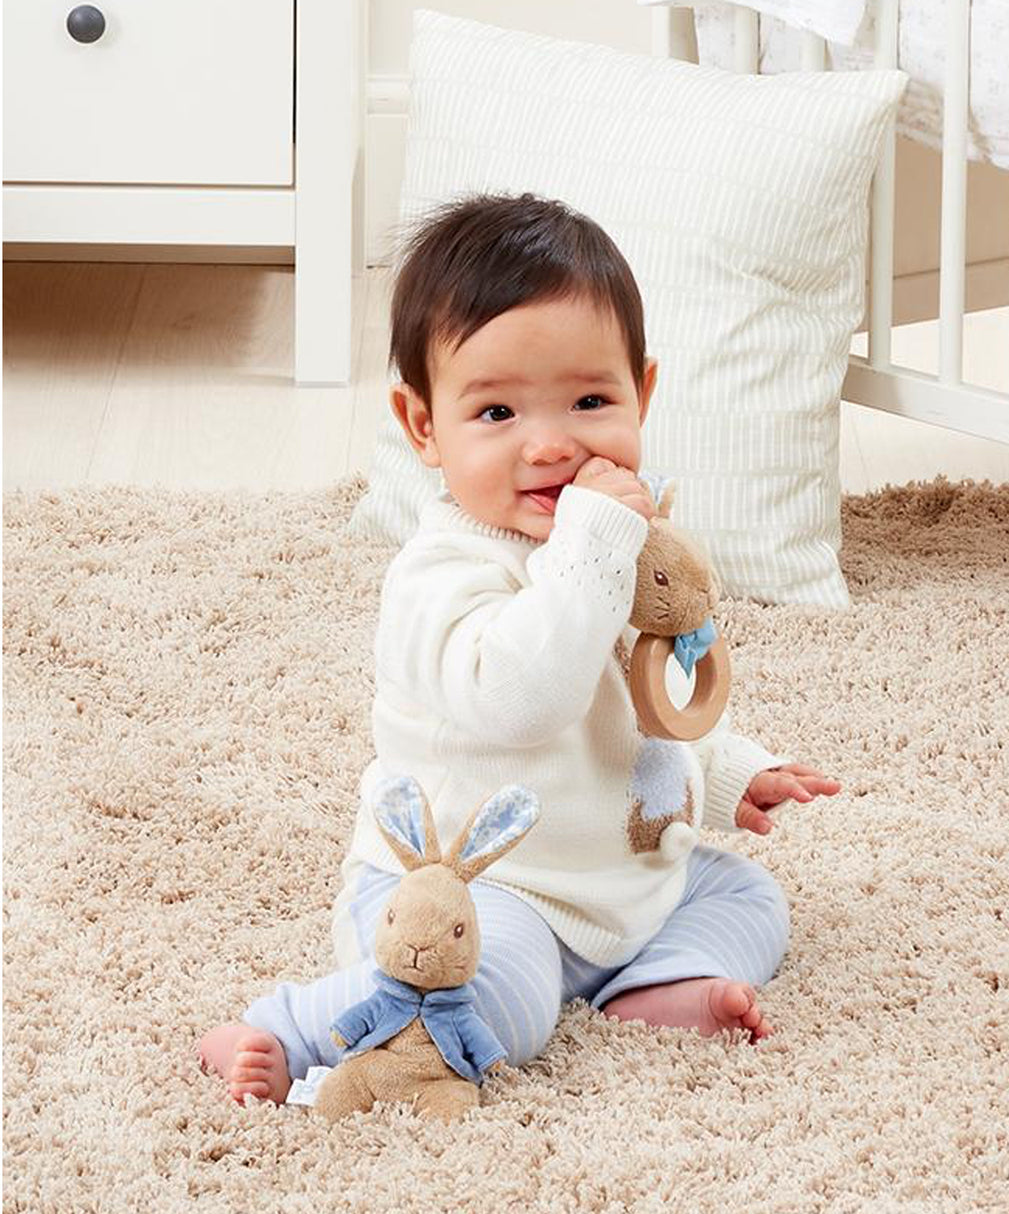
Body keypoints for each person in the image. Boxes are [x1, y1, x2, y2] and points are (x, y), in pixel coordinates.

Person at [198, 192, 841, 1104]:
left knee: (743, 896)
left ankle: (654, 986)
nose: (550, 443)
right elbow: (526, 697)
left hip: (617, 878)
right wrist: (591, 550)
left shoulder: (616, 544)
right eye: (497, 413)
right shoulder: (442, 574)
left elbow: (641, 704)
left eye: (589, 400)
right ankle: (286, 1027)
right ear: (424, 426)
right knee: (498, 1003)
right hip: (479, 899)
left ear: (642, 395)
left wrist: (732, 770)